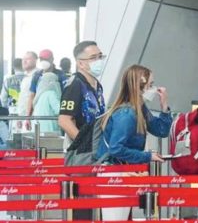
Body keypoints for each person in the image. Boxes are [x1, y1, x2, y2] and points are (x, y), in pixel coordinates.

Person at [96, 65, 171, 221]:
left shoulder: (139, 108)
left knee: (120, 218)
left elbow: (161, 130)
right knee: (115, 218)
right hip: (114, 172)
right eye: (151, 85)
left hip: (123, 170)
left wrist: (164, 106)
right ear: (140, 86)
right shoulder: (126, 114)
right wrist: (147, 156)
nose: (154, 89)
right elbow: (116, 148)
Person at [58, 41, 106, 220]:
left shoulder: (96, 85)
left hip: (96, 152)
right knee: (84, 206)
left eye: (100, 56)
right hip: (81, 155)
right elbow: (64, 120)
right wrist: (83, 143)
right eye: (93, 58)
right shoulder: (75, 85)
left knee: (96, 205)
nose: (99, 60)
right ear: (80, 63)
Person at [27, 49, 68, 117]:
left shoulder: (61, 75)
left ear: (52, 59)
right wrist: (28, 116)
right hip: (40, 112)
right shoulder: (37, 75)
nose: (43, 61)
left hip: (56, 112)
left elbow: (66, 95)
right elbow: (32, 95)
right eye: (41, 59)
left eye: (46, 59)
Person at [14, 52, 37, 131]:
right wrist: (19, 117)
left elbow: (33, 97)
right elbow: (23, 99)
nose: (24, 61)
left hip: (32, 118)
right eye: (23, 59)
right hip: (24, 118)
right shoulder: (25, 78)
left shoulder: (37, 76)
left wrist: (28, 118)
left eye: (28, 59)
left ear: (35, 60)